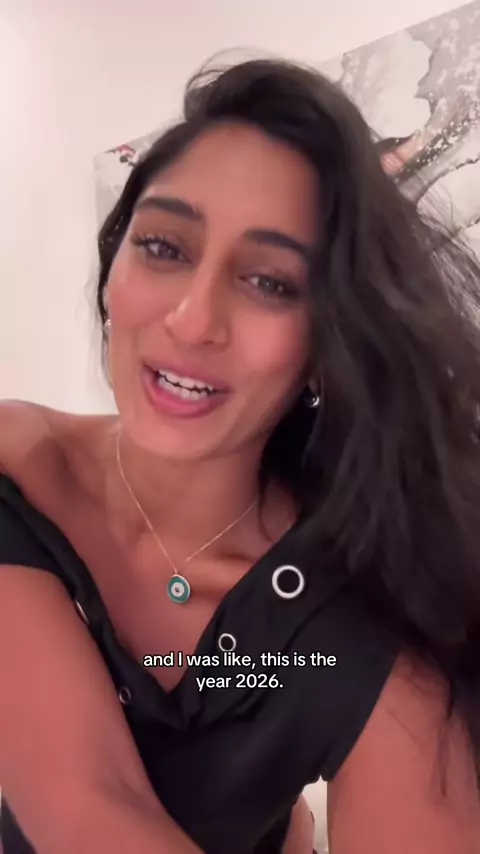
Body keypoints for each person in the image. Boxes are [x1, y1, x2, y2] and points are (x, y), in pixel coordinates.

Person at [0, 56, 479, 854]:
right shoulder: (20, 479)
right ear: (112, 271)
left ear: (329, 345)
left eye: (271, 283)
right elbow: (87, 801)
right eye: (163, 246)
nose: (192, 321)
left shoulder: (372, 620)